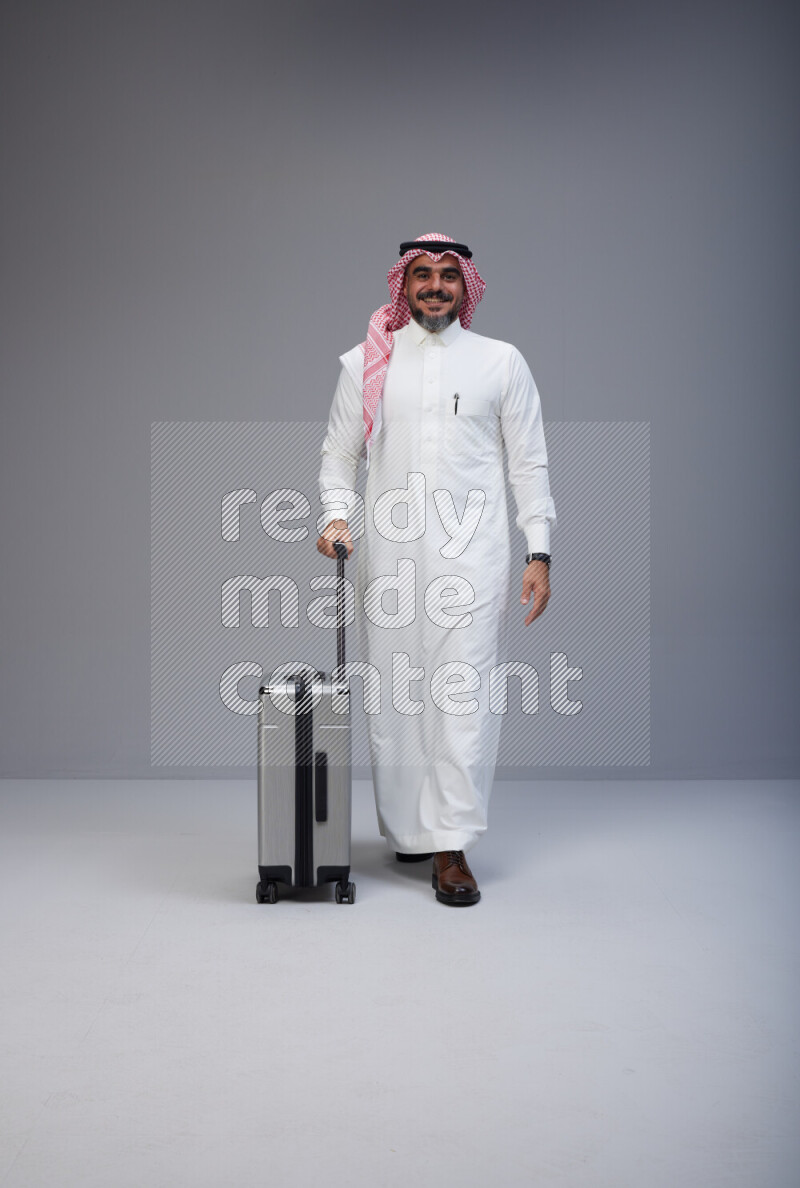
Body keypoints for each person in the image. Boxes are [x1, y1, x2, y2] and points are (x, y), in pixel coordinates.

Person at [316, 233, 556, 906]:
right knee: (394, 698)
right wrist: (336, 515)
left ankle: (451, 846)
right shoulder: (368, 361)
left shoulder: (500, 363)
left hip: (472, 560)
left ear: (466, 286)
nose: (435, 286)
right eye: (421, 274)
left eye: (448, 276)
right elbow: (340, 455)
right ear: (402, 283)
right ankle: (411, 830)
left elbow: (528, 463)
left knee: (461, 696)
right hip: (388, 559)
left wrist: (539, 549)